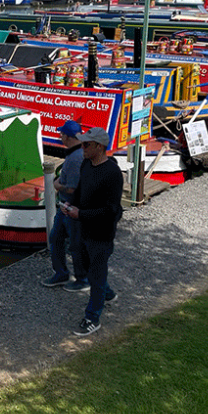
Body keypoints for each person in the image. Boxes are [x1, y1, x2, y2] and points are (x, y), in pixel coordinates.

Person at [61, 127, 123, 337]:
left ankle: (92, 318)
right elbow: (80, 191)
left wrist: (81, 214)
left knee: (96, 275)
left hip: (101, 233)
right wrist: (70, 204)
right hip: (83, 228)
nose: (82, 147)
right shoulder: (87, 164)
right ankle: (108, 294)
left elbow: (111, 210)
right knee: (88, 268)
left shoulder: (113, 173)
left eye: (87, 144)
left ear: (100, 147)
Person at [41, 121, 87, 289]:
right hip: (66, 207)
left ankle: (83, 279)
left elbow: (72, 187)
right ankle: (61, 273)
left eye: (62, 134)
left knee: (75, 245)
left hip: (71, 208)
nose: (60, 137)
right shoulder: (77, 153)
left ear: (67, 136)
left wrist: (57, 185)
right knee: (56, 237)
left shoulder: (76, 158)